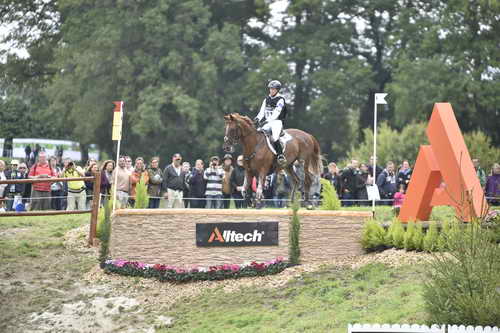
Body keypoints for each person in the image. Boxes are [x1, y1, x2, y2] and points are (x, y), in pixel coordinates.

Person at [253, 80, 288, 166]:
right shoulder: (266, 99)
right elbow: (262, 112)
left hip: (277, 122)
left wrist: (267, 120)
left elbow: (277, 112)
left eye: (273, 89)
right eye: (270, 89)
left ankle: (280, 155)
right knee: (257, 133)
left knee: (275, 137)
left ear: (277, 90)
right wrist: (257, 118)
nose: (271, 90)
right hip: (267, 122)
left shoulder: (280, 100)